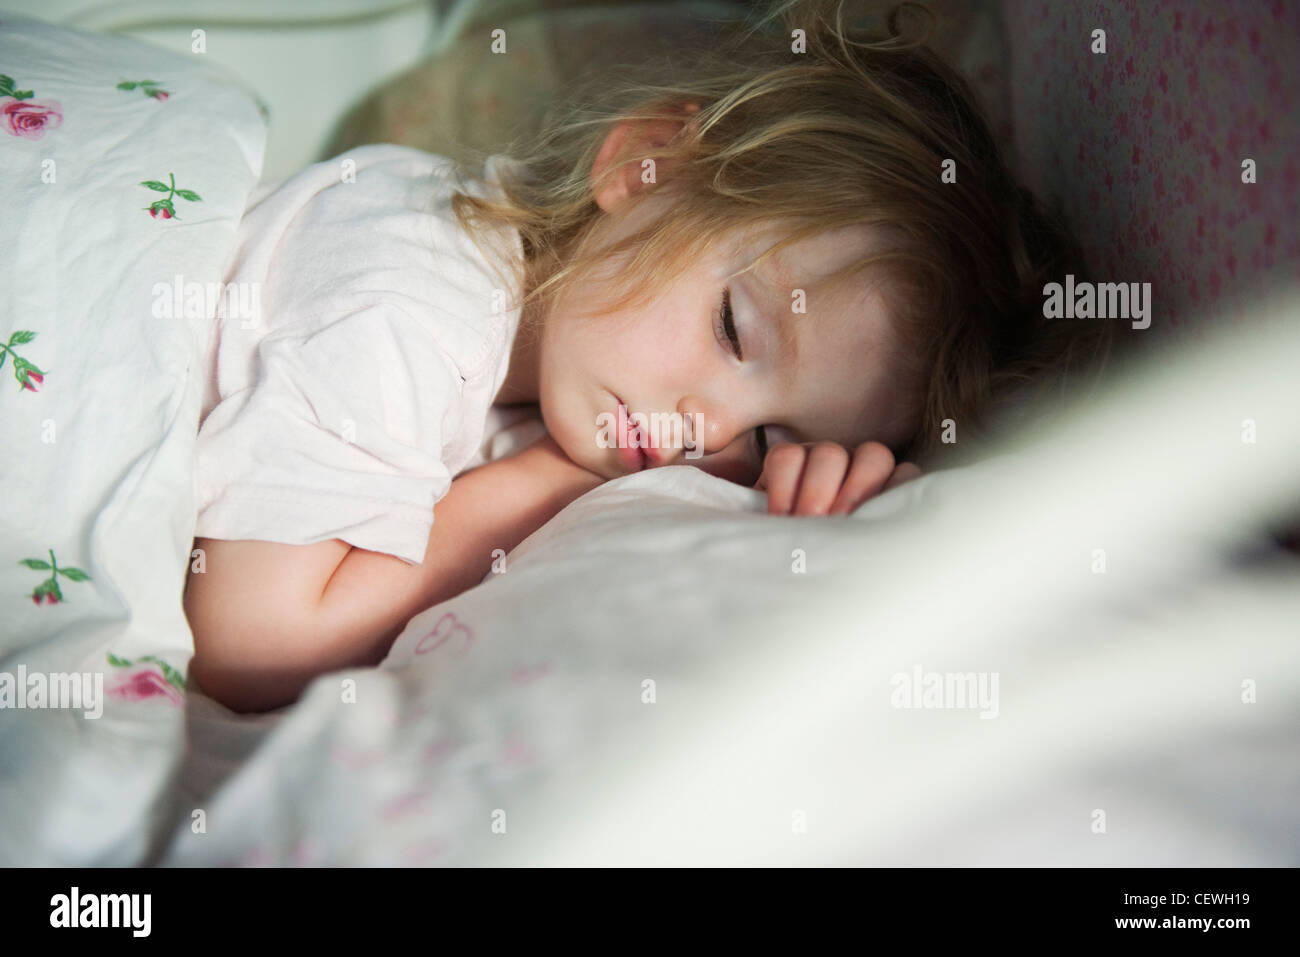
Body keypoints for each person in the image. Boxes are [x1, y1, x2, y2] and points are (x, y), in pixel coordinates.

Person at [183, 0, 1113, 713]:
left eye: (771, 435)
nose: (711, 433)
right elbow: (255, 642)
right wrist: (544, 483)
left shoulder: (559, 380)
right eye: (735, 331)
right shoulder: (409, 291)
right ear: (645, 165)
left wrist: (821, 507)